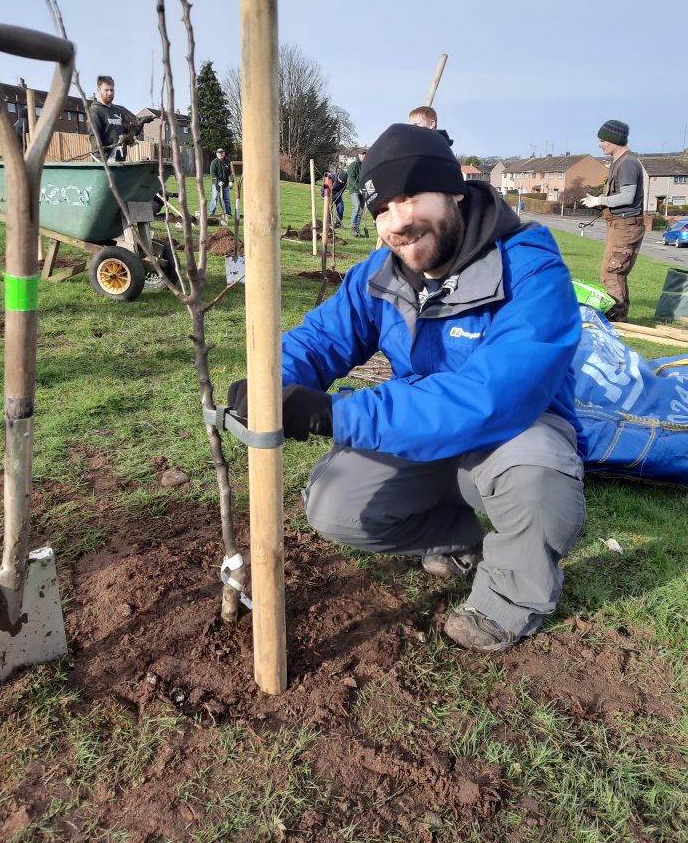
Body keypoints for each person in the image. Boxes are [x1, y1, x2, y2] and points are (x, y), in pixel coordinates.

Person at [228, 124, 586, 653]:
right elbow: (323, 338)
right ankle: (457, 536)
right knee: (334, 504)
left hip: (512, 434)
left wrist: (338, 415)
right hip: (421, 432)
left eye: (410, 197)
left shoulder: (529, 269)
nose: (398, 222)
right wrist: (269, 383)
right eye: (382, 210)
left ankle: (510, 599)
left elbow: (490, 397)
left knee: (537, 480)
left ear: (454, 191)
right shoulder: (383, 273)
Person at [581, 119, 644, 322]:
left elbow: (627, 196)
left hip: (626, 226)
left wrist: (600, 200)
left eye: (602, 140)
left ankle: (617, 322)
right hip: (619, 224)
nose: (600, 144)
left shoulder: (627, 163)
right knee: (613, 271)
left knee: (612, 271)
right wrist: (599, 203)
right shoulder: (619, 162)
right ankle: (618, 319)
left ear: (614, 139)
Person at [88, 75, 153, 164]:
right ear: (99, 90)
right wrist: (103, 154)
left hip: (120, 160)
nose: (110, 93)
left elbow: (131, 131)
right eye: (106, 90)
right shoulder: (94, 111)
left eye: (112, 90)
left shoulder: (118, 110)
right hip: (103, 163)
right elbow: (94, 138)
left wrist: (142, 122)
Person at [209, 147, 233, 221]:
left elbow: (231, 172)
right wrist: (218, 181)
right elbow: (213, 174)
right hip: (216, 184)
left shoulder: (227, 162)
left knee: (227, 199)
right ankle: (211, 213)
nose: (220, 154)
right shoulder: (214, 162)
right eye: (219, 153)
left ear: (224, 153)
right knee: (215, 198)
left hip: (225, 184)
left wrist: (231, 181)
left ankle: (228, 213)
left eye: (222, 153)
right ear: (216, 154)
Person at [346, 149, 365, 236]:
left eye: (364, 155)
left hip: (363, 190)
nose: (363, 156)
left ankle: (357, 230)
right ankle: (353, 227)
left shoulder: (366, 166)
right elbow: (351, 178)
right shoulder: (353, 165)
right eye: (361, 155)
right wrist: (359, 188)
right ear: (358, 155)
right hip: (354, 190)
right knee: (356, 206)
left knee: (361, 211)